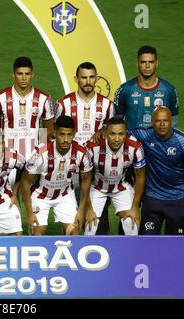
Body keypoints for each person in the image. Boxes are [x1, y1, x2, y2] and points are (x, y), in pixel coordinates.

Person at [54, 61, 115, 235]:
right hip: (71, 167)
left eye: (91, 77)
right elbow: (57, 134)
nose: (88, 82)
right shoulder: (64, 104)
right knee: (72, 211)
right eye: (83, 78)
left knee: (98, 213)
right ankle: (74, 246)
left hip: (97, 168)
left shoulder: (107, 105)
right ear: (76, 79)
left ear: (96, 78)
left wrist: (104, 130)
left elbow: (113, 132)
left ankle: (102, 244)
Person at [129, 107, 184, 235]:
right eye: (158, 121)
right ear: (152, 122)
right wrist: (102, 131)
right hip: (152, 199)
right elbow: (120, 130)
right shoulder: (145, 135)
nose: (162, 124)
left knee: (176, 243)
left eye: (165, 120)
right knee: (147, 242)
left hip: (177, 200)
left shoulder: (183, 141)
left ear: (171, 121)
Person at [21, 116, 96, 235]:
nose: (66, 139)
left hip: (65, 195)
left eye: (69, 135)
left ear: (74, 134)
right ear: (55, 133)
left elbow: (86, 181)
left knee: (75, 231)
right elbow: (25, 182)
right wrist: (29, 212)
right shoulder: (40, 153)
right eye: (62, 134)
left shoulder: (82, 153)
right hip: (40, 195)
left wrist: (82, 210)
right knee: (37, 232)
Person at [0, 56, 54, 187]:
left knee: (32, 200)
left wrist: (40, 154)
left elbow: (48, 130)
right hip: (7, 158)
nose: (24, 78)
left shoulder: (44, 99)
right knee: (7, 200)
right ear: (13, 75)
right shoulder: (0, 98)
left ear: (32, 75)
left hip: (33, 157)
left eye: (27, 74)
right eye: (20, 74)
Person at [84, 117, 146, 235]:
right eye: (112, 134)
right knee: (90, 228)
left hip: (121, 187)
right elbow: (85, 180)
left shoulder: (135, 146)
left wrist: (134, 208)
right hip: (96, 187)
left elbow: (140, 177)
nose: (117, 139)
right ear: (105, 132)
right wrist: (89, 209)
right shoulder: (92, 147)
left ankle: (131, 253)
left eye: (121, 134)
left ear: (126, 133)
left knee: (131, 225)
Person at [114, 45, 179, 130]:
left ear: (157, 63)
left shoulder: (168, 90)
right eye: (143, 62)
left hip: (158, 142)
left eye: (151, 62)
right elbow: (116, 121)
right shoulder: (125, 89)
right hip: (132, 141)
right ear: (137, 63)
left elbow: (173, 120)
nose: (147, 66)